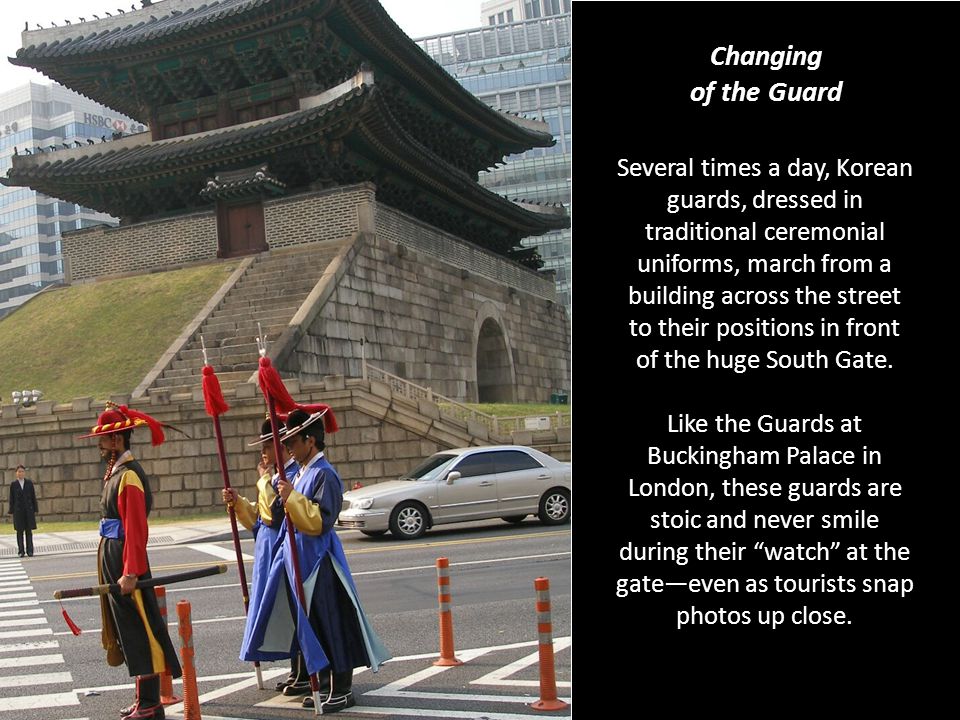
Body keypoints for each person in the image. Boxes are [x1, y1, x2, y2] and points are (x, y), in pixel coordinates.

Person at [244, 407, 390, 713]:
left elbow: (320, 521)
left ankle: (342, 687)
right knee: (311, 626)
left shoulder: (325, 474)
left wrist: (292, 496)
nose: (288, 450)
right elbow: (273, 517)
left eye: (292, 444)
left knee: (330, 623)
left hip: (320, 560)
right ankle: (322, 683)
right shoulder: (300, 473)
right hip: (298, 559)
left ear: (310, 441)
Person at [79, 404, 182, 720]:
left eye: (105, 439)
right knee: (128, 630)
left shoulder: (130, 477)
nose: (100, 445)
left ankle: (151, 703)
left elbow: (136, 529)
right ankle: (143, 698)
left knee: (140, 628)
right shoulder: (118, 473)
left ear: (117, 442)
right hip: (113, 553)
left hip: (125, 558)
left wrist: (131, 571)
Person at [222, 418, 307, 696]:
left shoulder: (291, 474)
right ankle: (295, 669)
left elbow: (274, 512)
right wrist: (238, 503)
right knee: (280, 607)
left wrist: (261, 480)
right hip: (267, 547)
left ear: (280, 447)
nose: (263, 452)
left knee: (294, 609)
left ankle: (305, 671)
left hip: (283, 547)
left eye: (267, 446)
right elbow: (260, 520)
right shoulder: (272, 477)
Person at [8, 464, 38, 557]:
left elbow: (33, 497)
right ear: (16, 473)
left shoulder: (29, 483)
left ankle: (30, 551)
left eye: (22, 471)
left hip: (28, 511)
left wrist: (35, 508)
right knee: (19, 531)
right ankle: (21, 551)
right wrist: (11, 510)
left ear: (24, 473)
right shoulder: (13, 485)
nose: (21, 473)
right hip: (18, 511)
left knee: (29, 531)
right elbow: (11, 499)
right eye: (19, 471)